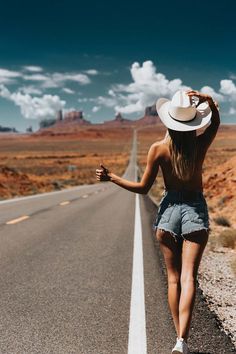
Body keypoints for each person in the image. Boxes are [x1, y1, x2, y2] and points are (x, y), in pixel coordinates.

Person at [95, 89, 220, 354]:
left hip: (168, 213)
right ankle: (181, 341)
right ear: (192, 120)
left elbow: (142, 188)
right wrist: (206, 99)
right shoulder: (199, 145)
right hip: (194, 210)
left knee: (173, 279)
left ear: (169, 119)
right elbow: (216, 121)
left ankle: (180, 341)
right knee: (189, 278)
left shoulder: (159, 149)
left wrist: (112, 177)